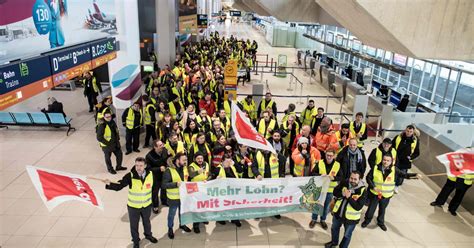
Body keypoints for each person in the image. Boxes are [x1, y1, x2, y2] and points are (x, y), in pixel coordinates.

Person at [103, 157, 158, 248]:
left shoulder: (151, 175)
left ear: (145, 166)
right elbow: (119, 186)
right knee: (134, 225)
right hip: (133, 207)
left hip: (146, 205)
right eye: (136, 165)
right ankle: (136, 241)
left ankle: (148, 235)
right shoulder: (130, 176)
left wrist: (154, 203)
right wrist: (109, 184)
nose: (138, 168)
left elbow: (155, 189)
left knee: (147, 222)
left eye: (140, 165)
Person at [361, 154, 421, 231]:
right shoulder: (375, 168)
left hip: (386, 195)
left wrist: (415, 175)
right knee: (371, 209)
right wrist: (373, 187)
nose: (385, 162)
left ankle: (380, 222)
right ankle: (367, 221)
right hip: (375, 194)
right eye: (384, 160)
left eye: (388, 160)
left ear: (391, 161)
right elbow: (368, 178)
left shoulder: (394, 170)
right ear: (382, 160)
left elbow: (404, 175)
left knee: (382, 210)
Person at [325, 171, 367, 248]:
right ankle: (334, 243)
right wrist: (342, 194)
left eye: (355, 179)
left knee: (347, 234)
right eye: (351, 178)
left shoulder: (362, 190)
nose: (352, 181)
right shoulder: (344, 182)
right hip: (338, 213)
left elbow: (358, 207)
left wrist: (349, 198)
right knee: (334, 228)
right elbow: (335, 192)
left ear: (360, 179)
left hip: (351, 219)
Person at [162, 153, 192, 239]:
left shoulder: (185, 168)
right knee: (172, 214)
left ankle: (182, 224)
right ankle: (170, 228)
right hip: (173, 198)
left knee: (182, 212)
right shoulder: (169, 171)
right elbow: (164, 185)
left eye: (186, 160)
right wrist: (175, 184)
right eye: (184, 160)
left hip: (183, 196)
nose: (185, 162)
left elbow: (188, 179)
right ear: (177, 160)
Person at [311, 149, 342, 230]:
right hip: (319, 189)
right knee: (316, 204)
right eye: (327, 155)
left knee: (326, 207)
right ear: (325, 155)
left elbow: (341, 177)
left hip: (330, 191)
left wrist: (334, 178)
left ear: (334, 156)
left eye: (331, 155)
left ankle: (323, 220)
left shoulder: (337, 165)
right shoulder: (320, 163)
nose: (329, 157)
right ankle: (314, 219)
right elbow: (312, 173)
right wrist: (320, 175)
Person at [188, 152, 211, 233]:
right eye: (198, 158)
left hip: (204, 188)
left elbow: (209, 174)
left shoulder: (206, 164)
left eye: (201, 158)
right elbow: (191, 175)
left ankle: (203, 218)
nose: (200, 160)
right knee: (196, 207)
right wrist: (198, 172)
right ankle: (196, 225)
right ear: (195, 159)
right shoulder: (191, 166)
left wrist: (207, 180)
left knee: (204, 205)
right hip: (195, 189)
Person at [392, 125, 420, 193]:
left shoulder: (415, 141)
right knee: (393, 172)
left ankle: (397, 186)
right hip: (396, 159)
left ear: (413, 132)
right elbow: (392, 146)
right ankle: (391, 184)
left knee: (402, 174)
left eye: (410, 132)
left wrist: (411, 157)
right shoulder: (398, 137)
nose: (408, 133)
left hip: (405, 162)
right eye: (407, 131)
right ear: (405, 130)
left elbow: (417, 153)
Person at [145, 140, 169, 212]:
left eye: (162, 144)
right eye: (160, 145)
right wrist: (159, 169)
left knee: (164, 188)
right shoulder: (149, 156)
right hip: (155, 177)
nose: (163, 146)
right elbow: (148, 169)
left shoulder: (165, 150)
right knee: (155, 192)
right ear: (155, 147)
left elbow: (166, 159)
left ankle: (164, 201)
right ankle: (155, 205)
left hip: (164, 175)